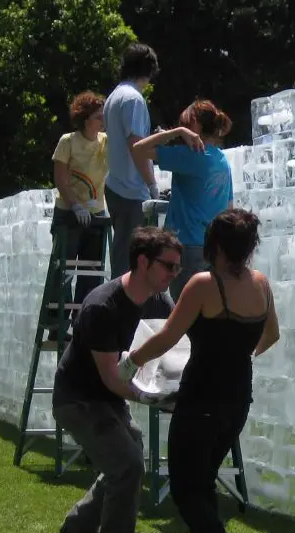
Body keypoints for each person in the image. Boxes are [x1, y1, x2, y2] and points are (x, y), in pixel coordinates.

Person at [121, 209, 279, 533]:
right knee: (204, 480)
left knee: (188, 488)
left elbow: (168, 337)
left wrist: (130, 361)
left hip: (201, 398)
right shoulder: (261, 285)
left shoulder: (204, 285)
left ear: (216, 246)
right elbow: (272, 334)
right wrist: (239, 357)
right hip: (237, 398)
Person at [52, 226, 181, 533]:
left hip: (108, 400)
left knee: (127, 456)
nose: (174, 274)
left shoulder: (158, 301)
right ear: (143, 262)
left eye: (177, 268)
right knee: (127, 464)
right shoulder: (102, 306)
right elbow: (112, 377)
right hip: (79, 401)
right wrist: (150, 398)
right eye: (169, 266)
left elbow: (172, 347)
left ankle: (77, 530)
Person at [130, 99, 233, 300]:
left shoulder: (190, 154)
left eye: (185, 124)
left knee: (184, 312)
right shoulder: (222, 160)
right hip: (213, 248)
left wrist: (174, 133)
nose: (183, 127)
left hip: (186, 247)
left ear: (195, 125)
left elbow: (137, 149)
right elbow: (229, 207)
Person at [49, 91, 112, 340]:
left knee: (92, 273)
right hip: (69, 214)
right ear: (85, 119)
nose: (103, 121)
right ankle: (56, 325)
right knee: (63, 270)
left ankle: (83, 323)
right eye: (99, 116)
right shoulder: (68, 142)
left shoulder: (106, 141)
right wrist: (76, 206)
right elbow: (61, 179)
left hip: (97, 214)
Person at [104, 43, 162, 278]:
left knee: (123, 254)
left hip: (116, 185)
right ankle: (124, 311)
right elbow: (137, 147)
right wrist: (152, 185)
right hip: (131, 190)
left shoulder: (114, 96)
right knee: (133, 261)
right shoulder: (133, 99)